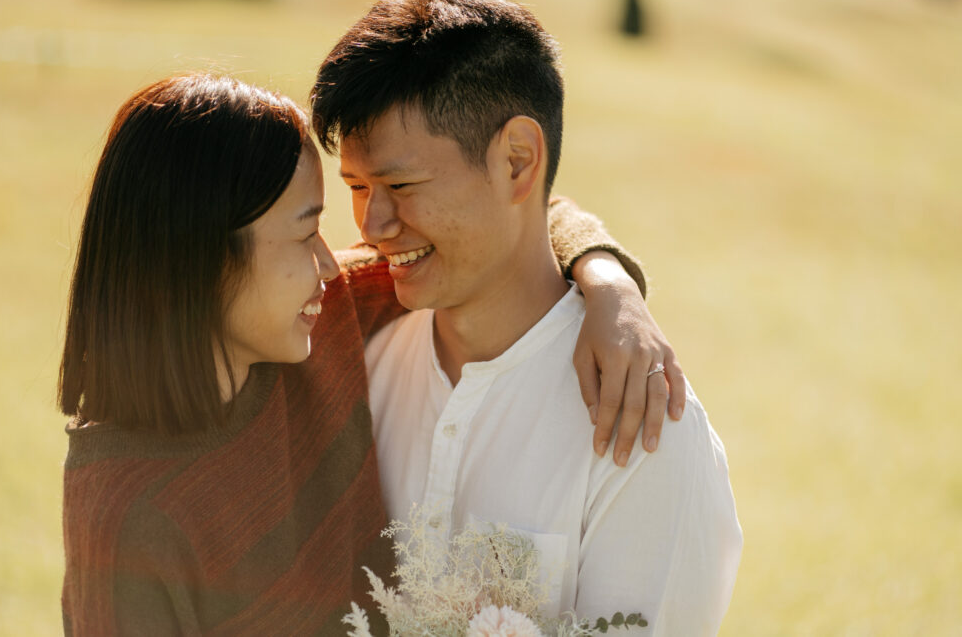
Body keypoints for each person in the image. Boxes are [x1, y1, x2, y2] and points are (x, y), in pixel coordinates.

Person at [59, 74, 677, 634]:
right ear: (200, 260)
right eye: (306, 235)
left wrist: (610, 286)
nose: (333, 262)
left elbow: (505, 227)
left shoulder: (326, 315)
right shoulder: (129, 518)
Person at [310, 0, 743, 634]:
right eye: (357, 186)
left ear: (517, 161)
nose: (373, 223)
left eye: (400, 184)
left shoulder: (646, 429)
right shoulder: (354, 351)